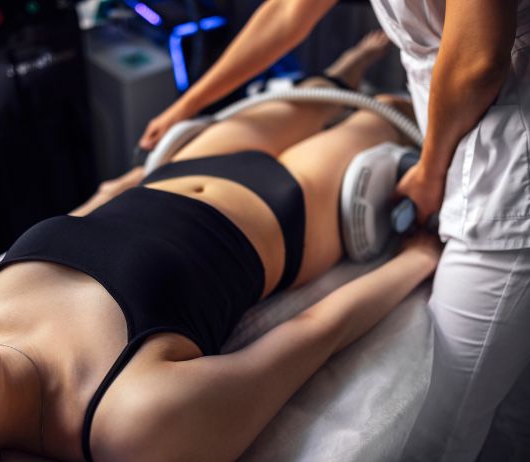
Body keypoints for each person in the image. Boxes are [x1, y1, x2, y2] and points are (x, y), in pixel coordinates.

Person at [0, 38, 440, 462]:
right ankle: (364, 80)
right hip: (289, 210)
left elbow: (87, 217)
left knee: (311, 91)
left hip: (179, 168)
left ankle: (349, 64)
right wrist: (416, 261)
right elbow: (312, 334)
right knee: (395, 106)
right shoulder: (128, 422)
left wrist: (126, 180)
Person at [140, 1, 530, 460]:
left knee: (438, 418)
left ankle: (356, 79)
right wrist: (187, 106)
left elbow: (478, 56)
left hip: (503, 160)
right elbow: (288, 11)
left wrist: (429, 172)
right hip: (445, 119)